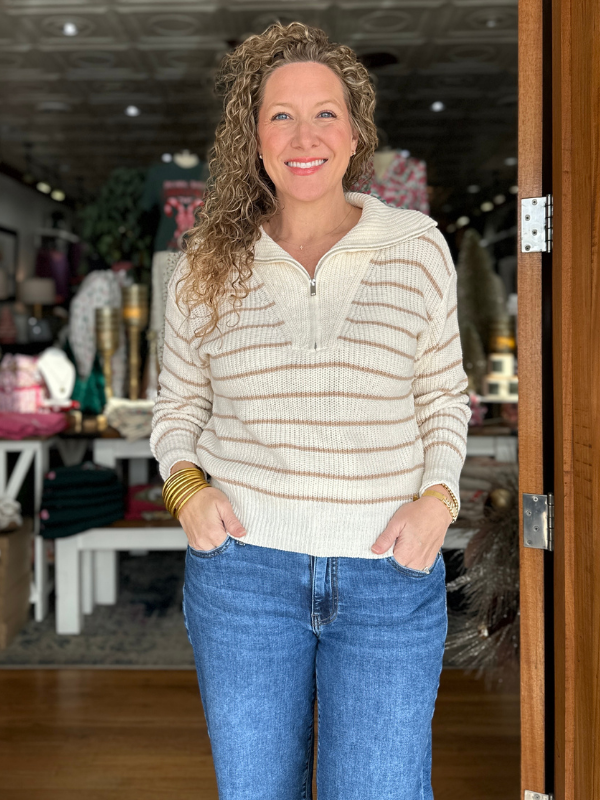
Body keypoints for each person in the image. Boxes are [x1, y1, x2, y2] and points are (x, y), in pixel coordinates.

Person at [150, 21, 470, 800]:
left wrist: (439, 501)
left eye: (325, 112)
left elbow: (444, 397)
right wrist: (187, 492)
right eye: (280, 114)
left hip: (390, 576)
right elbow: (177, 407)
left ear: (355, 131)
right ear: (251, 135)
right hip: (244, 579)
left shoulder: (417, 246)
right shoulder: (206, 261)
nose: (304, 135)